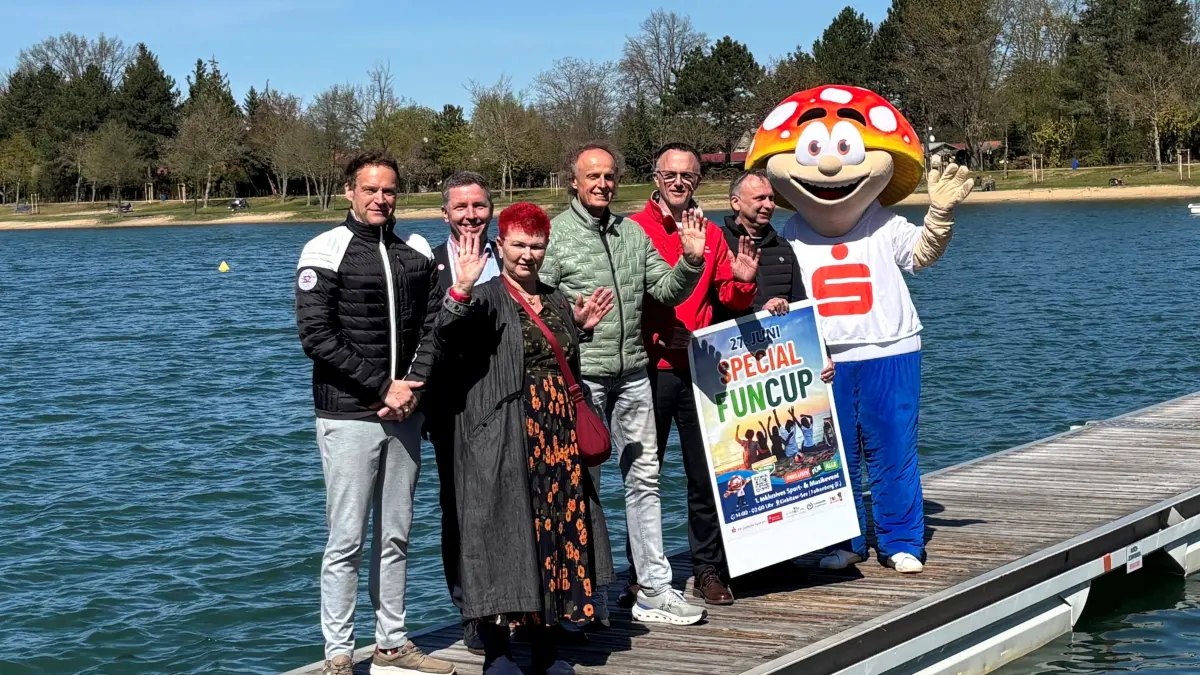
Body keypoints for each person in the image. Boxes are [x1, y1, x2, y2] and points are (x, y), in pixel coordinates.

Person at [430, 202, 616, 675]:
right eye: (518, 245)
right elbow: (446, 337)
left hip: (557, 439)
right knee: (501, 536)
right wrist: (460, 289)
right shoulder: (486, 297)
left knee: (553, 536)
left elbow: (556, 356)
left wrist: (580, 330)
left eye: (537, 246)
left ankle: (547, 650)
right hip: (503, 437)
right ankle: (497, 651)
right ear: (500, 245)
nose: (528, 255)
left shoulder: (556, 300)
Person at [295, 150, 455, 675]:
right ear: (349, 191)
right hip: (347, 415)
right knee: (346, 538)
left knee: (395, 535)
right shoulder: (324, 249)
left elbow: (433, 328)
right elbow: (317, 337)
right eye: (370, 189)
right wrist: (383, 387)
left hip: (406, 412)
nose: (380, 199)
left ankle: (392, 642)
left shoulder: (415, 249)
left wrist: (410, 389)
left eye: (388, 190)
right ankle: (338, 653)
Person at [540, 141, 709, 626]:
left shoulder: (631, 233)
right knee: (583, 486)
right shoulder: (556, 236)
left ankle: (653, 589)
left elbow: (666, 290)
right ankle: (585, 592)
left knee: (645, 480)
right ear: (574, 181)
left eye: (609, 176)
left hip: (634, 373)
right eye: (592, 176)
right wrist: (573, 322)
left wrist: (691, 260)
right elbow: (537, 307)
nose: (602, 184)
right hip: (584, 381)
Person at [629, 143, 759, 607]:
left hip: (700, 370)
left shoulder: (712, 232)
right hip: (650, 370)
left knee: (706, 477)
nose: (679, 182)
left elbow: (729, 297)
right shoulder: (634, 229)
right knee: (643, 478)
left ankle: (707, 569)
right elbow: (627, 298)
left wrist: (744, 281)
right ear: (657, 178)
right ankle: (642, 574)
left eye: (688, 175)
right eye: (671, 174)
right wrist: (657, 333)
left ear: (698, 181)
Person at [426, 171, 501, 655]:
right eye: (461, 208)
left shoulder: (513, 257)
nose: (471, 216)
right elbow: (422, 334)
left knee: (515, 503)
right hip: (452, 405)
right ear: (445, 214)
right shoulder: (426, 265)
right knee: (459, 510)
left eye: (479, 206)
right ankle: (473, 609)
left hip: (511, 399)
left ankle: (519, 603)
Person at [713, 170, 808, 323]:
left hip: (781, 334)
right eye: (760, 198)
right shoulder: (717, 242)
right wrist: (760, 312)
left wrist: (784, 307)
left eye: (771, 198)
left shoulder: (783, 246)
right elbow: (709, 306)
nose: (769, 205)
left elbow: (800, 304)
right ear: (736, 203)